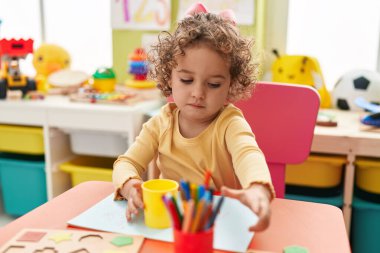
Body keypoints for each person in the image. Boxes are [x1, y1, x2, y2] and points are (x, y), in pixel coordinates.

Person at [113, 3, 275, 232]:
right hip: (169, 226)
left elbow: (248, 155)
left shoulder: (230, 123)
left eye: (214, 84)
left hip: (217, 226)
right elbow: (126, 163)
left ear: (231, 84)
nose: (198, 93)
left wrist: (258, 188)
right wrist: (130, 186)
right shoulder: (161, 123)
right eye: (187, 80)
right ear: (169, 76)